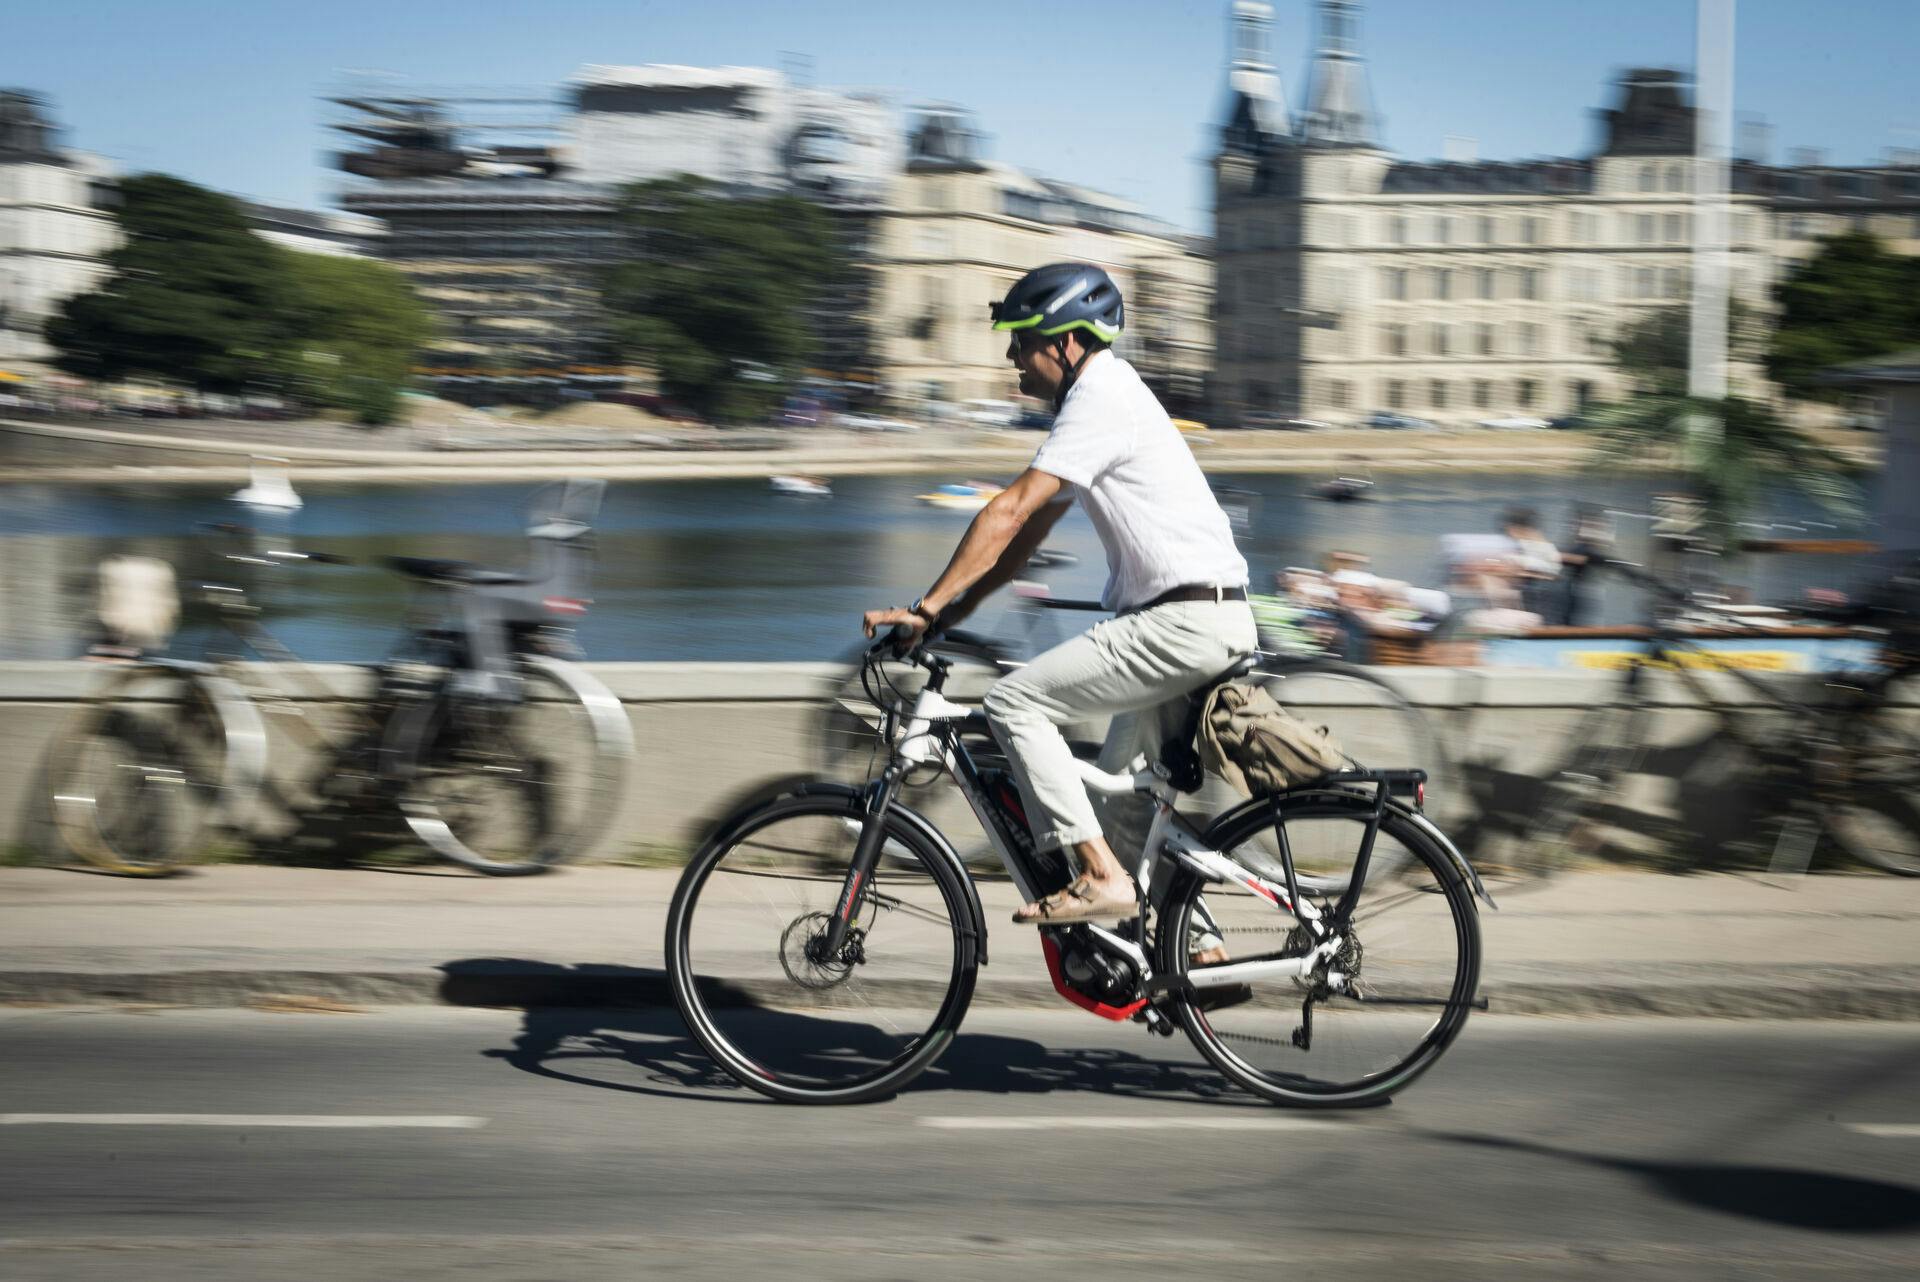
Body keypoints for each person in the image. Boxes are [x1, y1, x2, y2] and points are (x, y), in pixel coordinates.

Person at [862, 262, 1255, 935]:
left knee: (1014, 702)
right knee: (1122, 806)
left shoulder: (1099, 395)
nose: (1012, 359)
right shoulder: (1106, 399)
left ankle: (1100, 877)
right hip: (1197, 617)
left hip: (1181, 623)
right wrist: (952, 612)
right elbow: (1029, 533)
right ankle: (1196, 947)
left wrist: (926, 608)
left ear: (1065, 343)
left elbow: (1008, 510)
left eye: (1020, 341)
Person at [1553, 505, 1612, 626]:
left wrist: (1553, 555)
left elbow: (1582, 559)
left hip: (1585, 587)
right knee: (1567, 616)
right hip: (1571, 587)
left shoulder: (1592, 547)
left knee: (1579, 619)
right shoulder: (1577, 544)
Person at [1501, 508, 1562, 619]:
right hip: (1537, 590)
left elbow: (1551, 571)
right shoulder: (1536, 543)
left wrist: (1519, 570)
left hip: (1538, 591)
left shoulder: (1534, 544)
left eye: (1509, 529)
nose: (1509, 533)